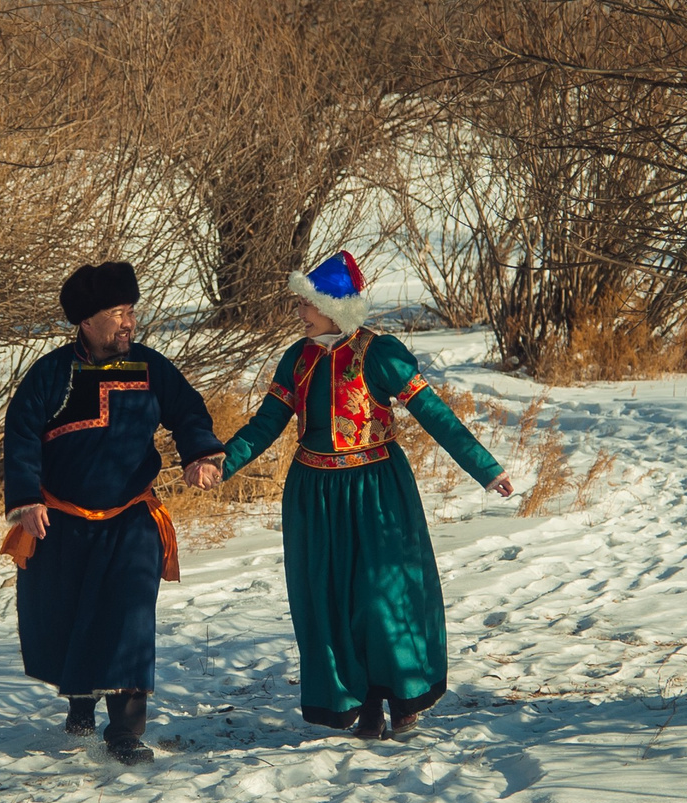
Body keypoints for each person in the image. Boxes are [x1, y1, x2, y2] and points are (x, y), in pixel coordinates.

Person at [209, 250, 512, 740]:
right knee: (331, 598)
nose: (300, 314)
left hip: (377, 491)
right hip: (315, 495)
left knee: (381, 595)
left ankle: (401, 693)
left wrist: (485, 468)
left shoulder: (380, 353)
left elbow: (436, 414)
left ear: (331, 306)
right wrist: (222, 461)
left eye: (306, 305)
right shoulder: (297, 359)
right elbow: (267, 424)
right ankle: (363, 702)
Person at [2, 261, 225, 764]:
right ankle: (80, 700)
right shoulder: (52, 375)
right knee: (69, 615)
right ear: (86, 321)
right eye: (116, 312)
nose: (128, 322)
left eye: (130, 310)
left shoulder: (151, 368)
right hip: (62, 524)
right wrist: (27, 500)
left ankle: (124, 731)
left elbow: (188, 411)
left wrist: (199, 454)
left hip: (130, 520)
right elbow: (20, 436)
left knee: (128, 619)